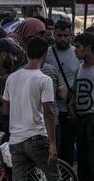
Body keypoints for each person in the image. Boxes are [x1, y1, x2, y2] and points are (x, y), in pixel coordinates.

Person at [3, 37, 59, 180]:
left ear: (26, 54)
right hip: (37, 137)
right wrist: (52, 143)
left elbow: (5, 110)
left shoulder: (12, 78)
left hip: (16, 140)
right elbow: (48, 113)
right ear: (45, 55)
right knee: (53, 176)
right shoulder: (44, 79)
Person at [45, 18, 80, 165]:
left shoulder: (77, 54)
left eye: (66, 35)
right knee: (51, 151)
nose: (62, 39)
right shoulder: (46, 53)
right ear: (54, 35)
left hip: (69, 110)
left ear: (71, 35)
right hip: (50, 109)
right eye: (59, 35)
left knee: (67, 149)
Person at [72, 32, 94, 181]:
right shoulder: (79, 68)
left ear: (88, 48)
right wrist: (71, 106)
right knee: (83, 161)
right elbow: (75, 92)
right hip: (81, 120)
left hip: (92, 120)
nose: (75, 49)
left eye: (78, 47)